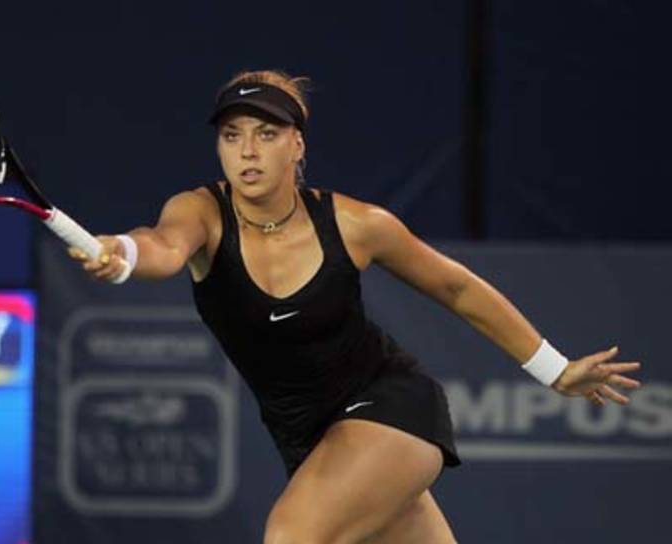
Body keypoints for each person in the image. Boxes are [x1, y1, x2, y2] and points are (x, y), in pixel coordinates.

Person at [69, 70, 642, 544]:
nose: (247, 150)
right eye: (232, 135)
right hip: (306, 439)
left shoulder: (358, 224)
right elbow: (163, 247)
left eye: (267, 133)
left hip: (392, 408)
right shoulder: (200, 212)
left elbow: (457, 289)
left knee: (292, 536)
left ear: (297, 145)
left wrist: (554, 369)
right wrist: (123, 253)